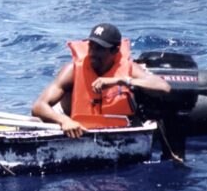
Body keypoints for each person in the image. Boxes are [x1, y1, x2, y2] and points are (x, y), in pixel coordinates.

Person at [32, 23, 171, 138]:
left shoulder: (129, 68)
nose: (92, 53)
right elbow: (38, 106)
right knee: (38, 121)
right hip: (71, 120)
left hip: (113, 124)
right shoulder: (72, 70)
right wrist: (64, 121)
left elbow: (163, 87)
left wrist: (120, 81)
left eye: (99, 49)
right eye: (91, 46)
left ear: (115, 51)